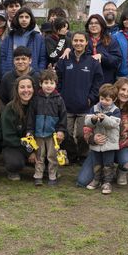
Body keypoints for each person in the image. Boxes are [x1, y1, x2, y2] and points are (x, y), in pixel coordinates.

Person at [56, 32, 104, 164]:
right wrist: (59, 95)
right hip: (66, 105)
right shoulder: (64, 60)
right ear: (72, 42)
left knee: (82, 135)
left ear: (86, 42)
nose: (78, 43)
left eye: (81, 40)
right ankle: (71, 155)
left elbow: (98, 82)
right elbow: (57, 79)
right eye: (75, 40)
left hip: (85, 106)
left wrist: (91, 98)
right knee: (66, 134)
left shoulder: (93, 61)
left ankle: (83, 155)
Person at [27, 70, 67, 186]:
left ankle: (52, 176)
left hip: (52, 135)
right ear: (40, 84)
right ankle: (38, 175)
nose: (48, 85)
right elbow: (31, 117)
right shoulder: (35, 99)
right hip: (38, 134)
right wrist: (29, 131)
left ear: (55, 84)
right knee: (39, 155)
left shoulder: (59, 99)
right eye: (46, 82)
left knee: (52, 156)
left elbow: (63, 117)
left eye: (51, 83)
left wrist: (61, 130)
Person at [83, 84, 122, 194]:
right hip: (96, 142)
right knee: (97, 162)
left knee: (108, 164)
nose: (104, 102)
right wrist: (94, 119)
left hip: (109, 143)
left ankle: (107, 182)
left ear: (114, 99)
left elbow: (114, 124)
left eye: (107, 100)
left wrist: (104, 118)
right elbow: (87, 121)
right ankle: (96, 179)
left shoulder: (116, 110)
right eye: (102, 99)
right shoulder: (94, 108)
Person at [0, 75, 37, 181]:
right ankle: (12, 168)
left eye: (29, 87)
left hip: (36, 145)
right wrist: (29, 151)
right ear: (17, 90)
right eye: (22, 87)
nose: (26, 90)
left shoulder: (38, 106)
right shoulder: (9, 109)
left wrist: (35, 150)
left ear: (34, 89)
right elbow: (8, 137)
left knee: (49, 160)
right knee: (15, 164)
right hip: (14, 145)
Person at [1, 7, 47, 74]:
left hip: (32, 76)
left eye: (27, 17)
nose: (24, 19)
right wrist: (6, 74)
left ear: (31, 19)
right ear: (17, 19)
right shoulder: (9, 37)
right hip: (12, 75)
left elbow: (42, 59)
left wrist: (38, 74)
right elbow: (3, 58)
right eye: (21, 17)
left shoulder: (38, 38)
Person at [79, 14, 122, 84]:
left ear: (102, 25)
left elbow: (117, 60)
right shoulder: (82, 39)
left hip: (105, 81)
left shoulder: (110, 40)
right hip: (85, 79)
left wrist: (102, 56)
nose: (93, 25)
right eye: (91, 23)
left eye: (96, 23)